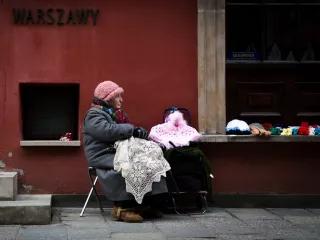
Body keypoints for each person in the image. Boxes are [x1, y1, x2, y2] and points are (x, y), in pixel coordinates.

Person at [83, 80, 168, 223]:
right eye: (118, 96)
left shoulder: (110, 113)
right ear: (108, 98)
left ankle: (143, 204)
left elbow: (118, 132)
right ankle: (122, 208)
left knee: (148, 160)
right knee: (131, 165)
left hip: (114, 151)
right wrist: (131, 130)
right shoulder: (94, 114)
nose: (121, 100)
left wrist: (136, 132)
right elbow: (106, 131)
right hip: (102, 155)